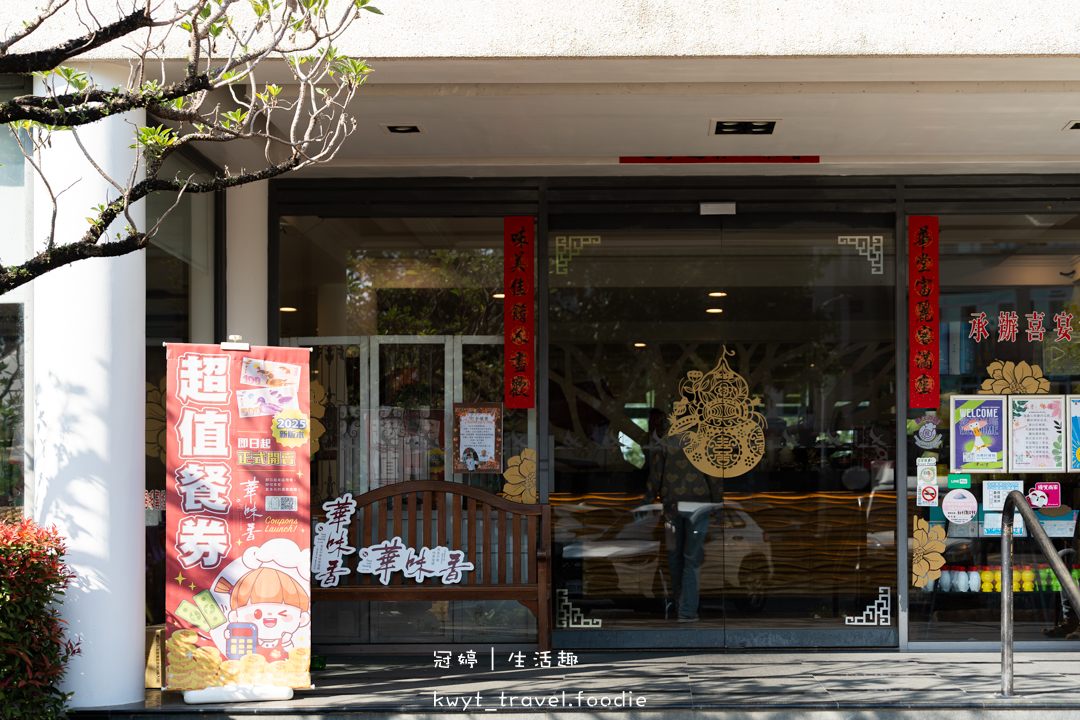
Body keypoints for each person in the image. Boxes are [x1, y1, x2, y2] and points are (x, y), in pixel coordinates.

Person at [643, 421, 722, 623]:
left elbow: (655, 474)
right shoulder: (705, 441)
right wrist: (718, 506)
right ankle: (686, 610)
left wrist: (648, 501)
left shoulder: (666, 440)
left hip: (672, 506)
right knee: (692, 558)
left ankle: (681, 606)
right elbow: (714, 477)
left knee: (674, 557)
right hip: (698, 506)